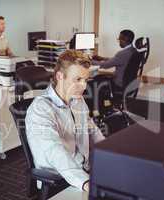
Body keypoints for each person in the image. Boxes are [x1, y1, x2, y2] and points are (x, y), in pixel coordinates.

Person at [25, 50, 105, 192]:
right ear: (60, 76)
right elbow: (55, 152)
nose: (84, 86)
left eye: (86, 80)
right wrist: (85, 182)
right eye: (78, 79)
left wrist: (111, 153)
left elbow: (92, 130)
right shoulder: (40, 109)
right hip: (60, 180)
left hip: (85, 169)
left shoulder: (77, 100)